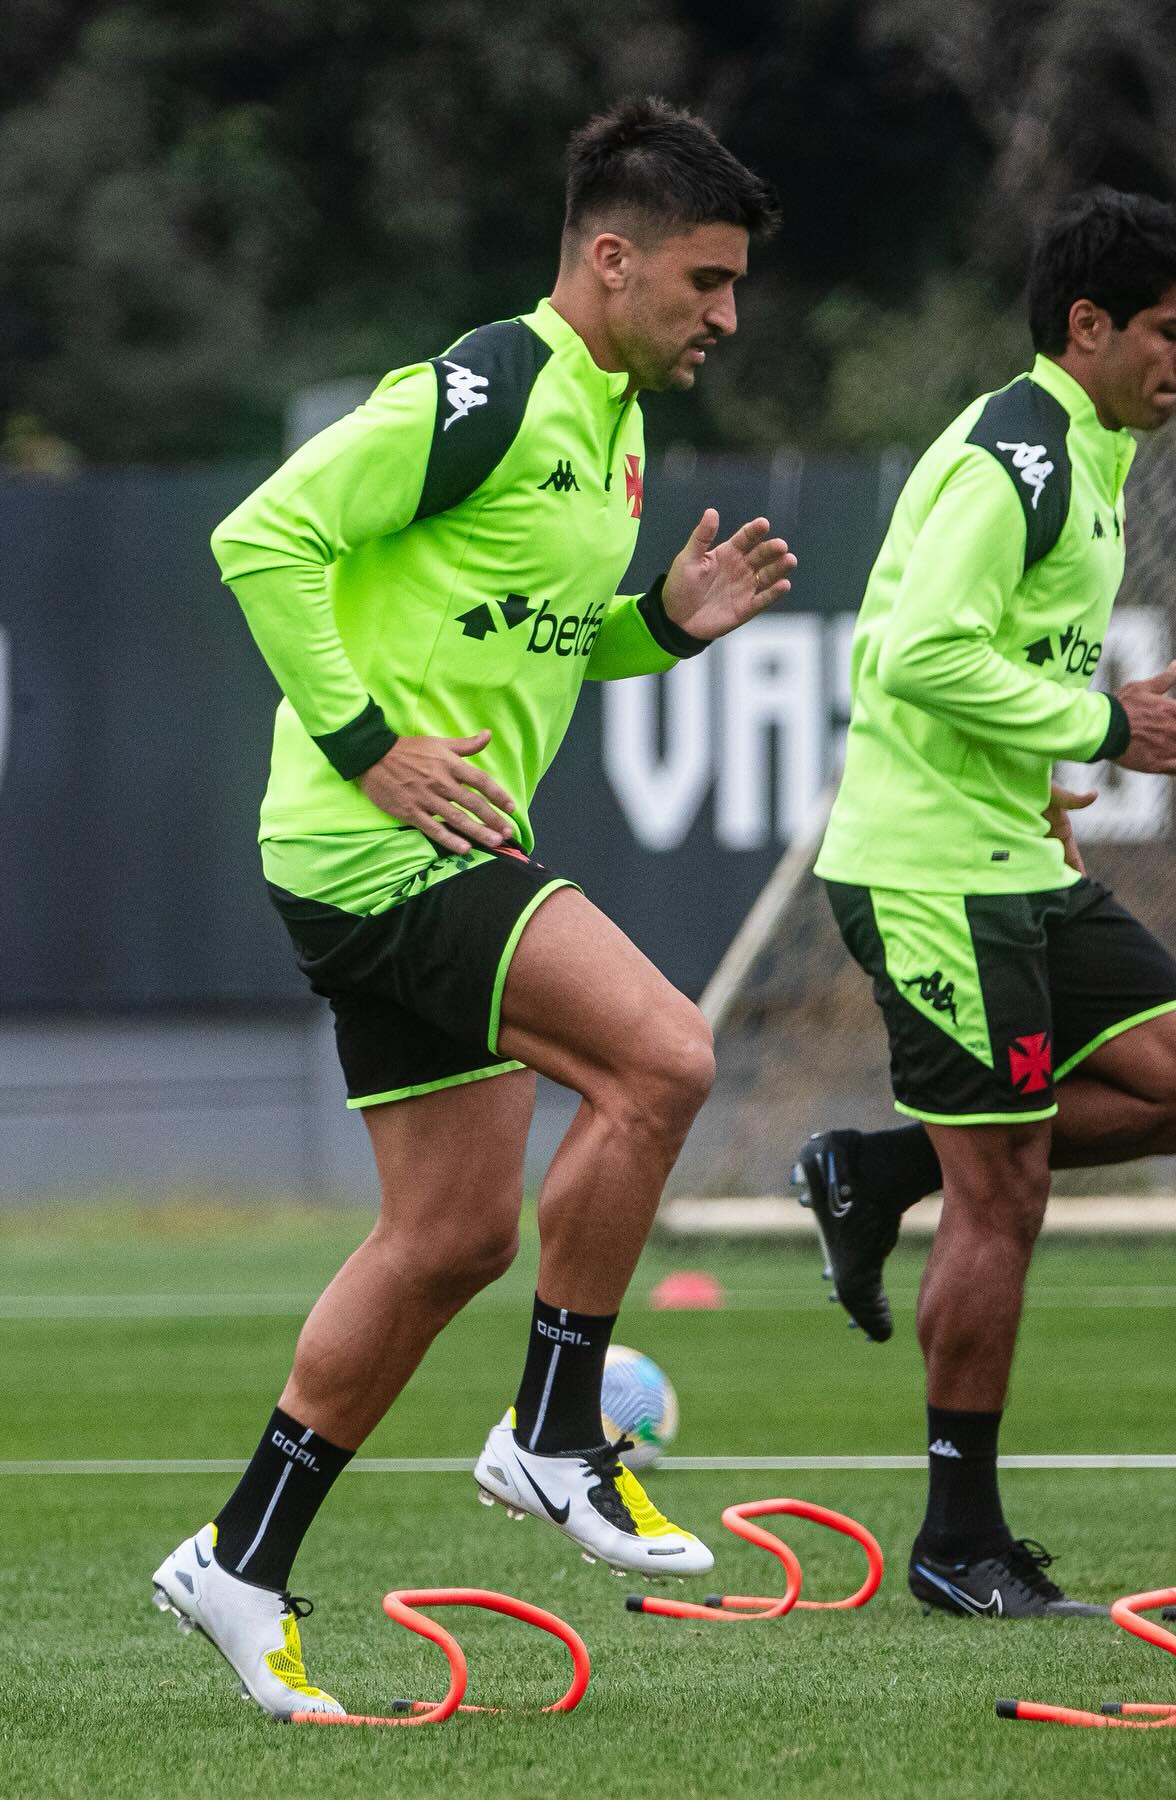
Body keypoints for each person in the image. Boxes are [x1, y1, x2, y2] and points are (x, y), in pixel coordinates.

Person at [151, 96, 791, 1717]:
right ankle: (559, 1432)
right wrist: (367, 746)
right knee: (665, 1057)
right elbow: (263, 535)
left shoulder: (616, 424)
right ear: (611, 257)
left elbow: (536, 635)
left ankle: (240, 1559)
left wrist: (665, 623)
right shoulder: (490, 384)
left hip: (417, 853)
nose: (727, 316)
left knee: (448, 1238)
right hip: (382, 849)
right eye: (707, 281)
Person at [795, 189, 1176, 1619]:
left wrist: (1053, 771)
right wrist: (1104, 727)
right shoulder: (1018, 456)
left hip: (1018, 860)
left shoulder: (1091, 450)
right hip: (933, 875)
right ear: (1088, 325)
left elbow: (972, 648)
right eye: (1171, 332)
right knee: (1006, 1194)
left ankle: (883, 1171)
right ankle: (960, 1544)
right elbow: (918, 654)